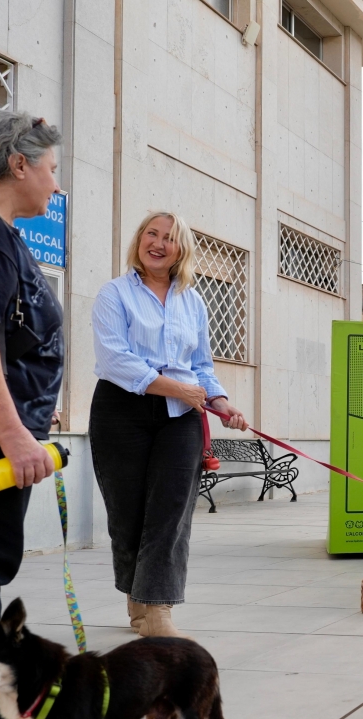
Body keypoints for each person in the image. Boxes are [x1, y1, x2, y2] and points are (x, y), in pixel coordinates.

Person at [90, 211, 248, 639]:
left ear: (181, 250)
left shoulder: (192, 301)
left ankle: (157, 610)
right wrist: (176, 388)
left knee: (171, 512)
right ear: (139, 240)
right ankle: (138, 601)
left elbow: (200, 366)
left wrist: (221, 402)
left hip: (180, 418)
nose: (158, 243)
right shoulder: (114, 294)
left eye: (169, 238)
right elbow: (115, 359)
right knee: (128, 514)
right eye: (151, 234)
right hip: (121, 410)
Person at [0, 110, 64, 719]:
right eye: (51, 168)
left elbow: (12, 344)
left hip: (5, 435)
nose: (55, 185)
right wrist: (13, 435)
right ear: (17, 165)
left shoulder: (0, 235)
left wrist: (36, 413)